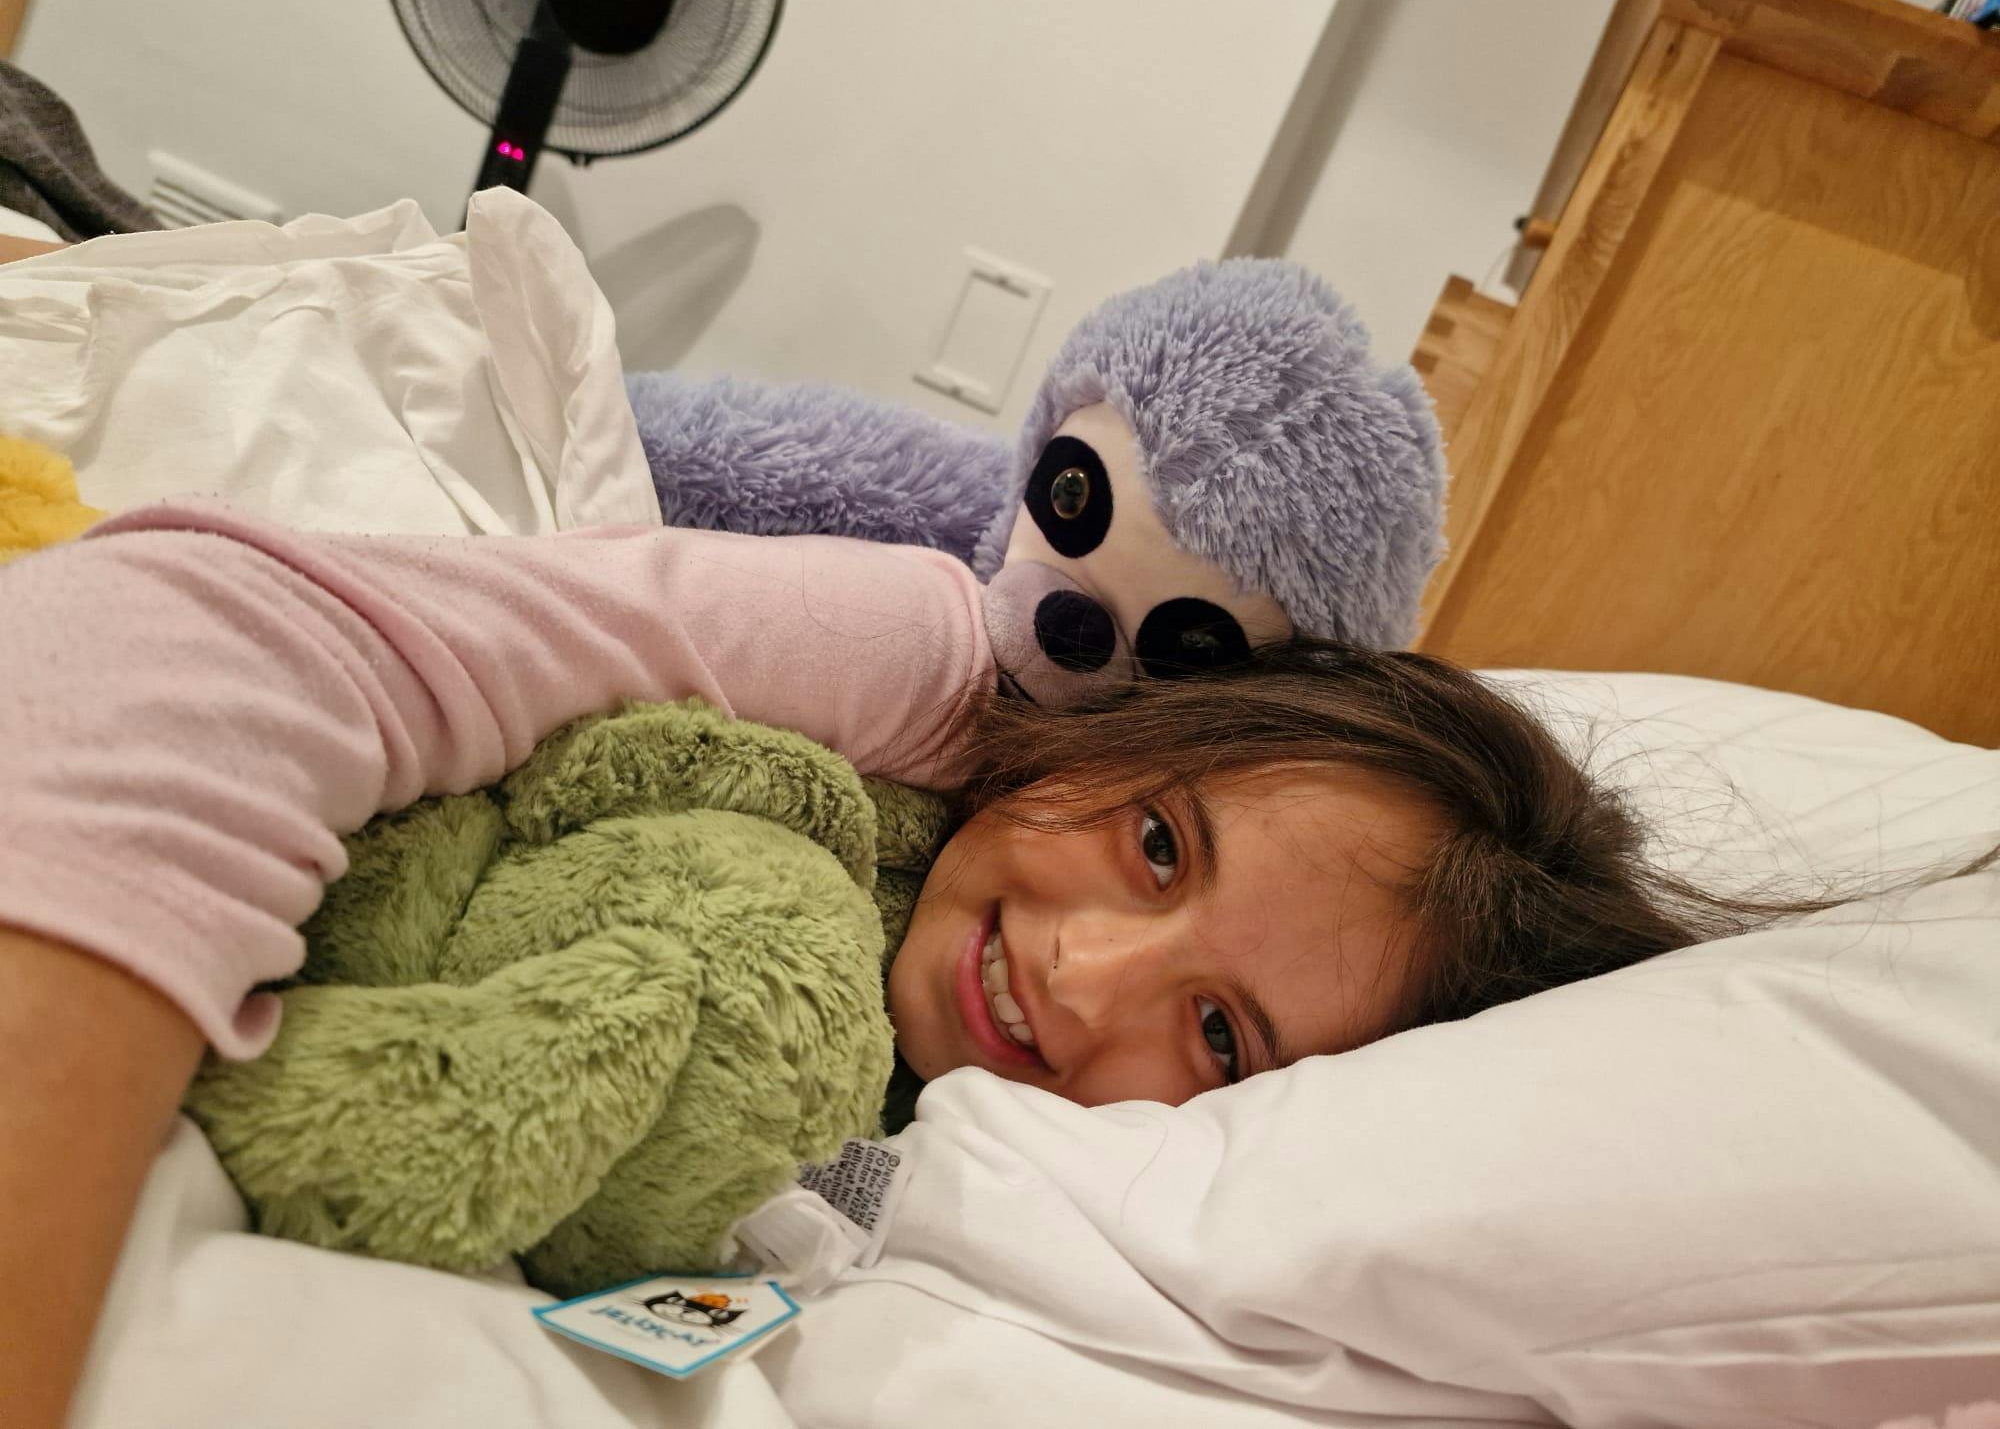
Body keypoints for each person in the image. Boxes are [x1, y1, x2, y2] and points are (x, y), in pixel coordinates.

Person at [0, 497, 1884, 1424]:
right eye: (1158, 843)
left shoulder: (1029, 1199)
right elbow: (214, 627)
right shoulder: (922, 673)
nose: (1083, 974)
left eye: (1219, 1032)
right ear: (1133, 732)